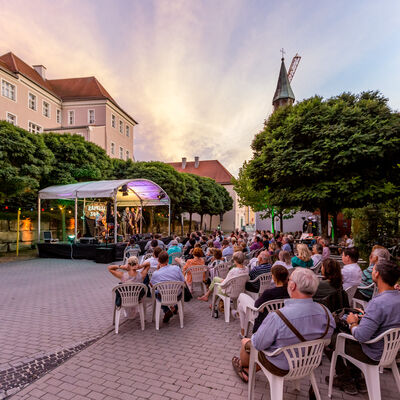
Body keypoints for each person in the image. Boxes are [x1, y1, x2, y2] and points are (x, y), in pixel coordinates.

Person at [232, 268, 335, 383]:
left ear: (293, 286)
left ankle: (243, 366)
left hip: (282, 366)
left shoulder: (278, 317)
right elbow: (327, 339)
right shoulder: (326, 312)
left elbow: (258, 344)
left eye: (289, 280)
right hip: (309, 362)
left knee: (247, 342)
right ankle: (247, 369)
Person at [330, 259, 400, 394]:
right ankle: (358, 378)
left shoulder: (378, 303)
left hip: (372, 352)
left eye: (373, 269)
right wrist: (366, 317)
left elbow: (361, 336)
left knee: (332, 338)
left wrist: (352, 322)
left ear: (377, 274)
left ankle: (346, 378)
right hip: (390, 349)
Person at [237, 265, 290, 337]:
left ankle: (243, 331)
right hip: (283, 317)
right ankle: (243, 331)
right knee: (240, 306)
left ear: (274, 277)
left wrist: (263, 307)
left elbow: (256, 306)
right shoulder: (290, 291)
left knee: (241, 296)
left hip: (265, 317)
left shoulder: (269, 293)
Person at [150, 250, 185, 323]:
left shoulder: (156, 273)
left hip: (163, 297)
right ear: (168, 260)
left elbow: (152, 286)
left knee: (155, 293)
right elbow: (183, 282)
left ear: (158, 261)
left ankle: (166, 310)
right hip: (177, 296)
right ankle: (175, 307)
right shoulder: (176, 268)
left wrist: (157, 269)